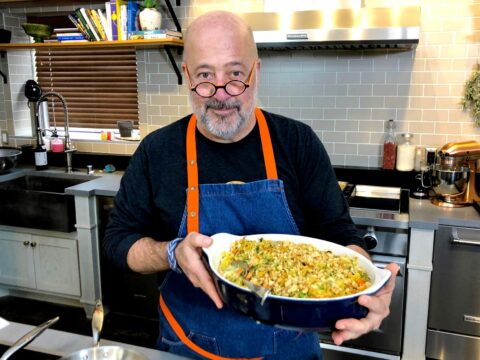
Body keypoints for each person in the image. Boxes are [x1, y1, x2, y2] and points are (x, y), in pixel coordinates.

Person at [103, 10, 399, 360]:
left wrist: (366, 286)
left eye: (235, 74)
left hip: (290, 350)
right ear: (186, 76)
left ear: (256, 72)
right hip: (187, 348)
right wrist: (172, 253)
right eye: (204, 76)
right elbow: (117, 242)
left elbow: (338, 231)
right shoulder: (158, 151)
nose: (221, 94)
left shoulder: (297, 142)